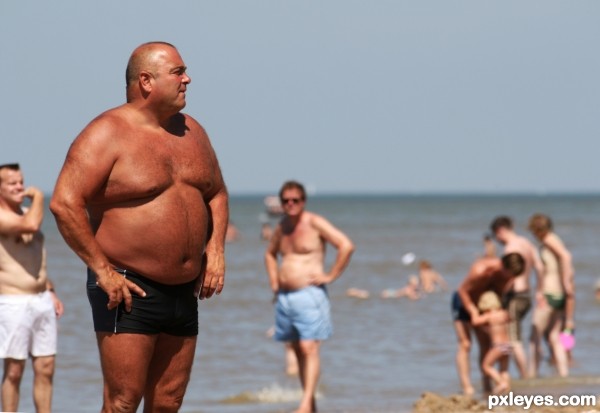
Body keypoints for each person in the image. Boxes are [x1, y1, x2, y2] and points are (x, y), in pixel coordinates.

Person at [49, 42, 229, 413]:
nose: (187, 78)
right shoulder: (106, 133)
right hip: (128, 286)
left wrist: (215, 251)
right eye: (178, 72)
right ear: (146, 81)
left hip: (184, 290)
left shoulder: (192, 131)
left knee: (169, 401)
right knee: (122, 402)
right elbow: (65, 203)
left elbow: (217, 192)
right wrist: (103, 271)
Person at [264, 180, 354, 413]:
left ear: (303, 201)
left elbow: (345, 245)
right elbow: (270, 255)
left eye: (295, 200)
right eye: (286, 200)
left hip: (310, 295)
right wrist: (275, 283)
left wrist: (331, 275)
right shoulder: (281, 227)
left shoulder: (314, 223)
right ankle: (310, 405)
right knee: (296, 349)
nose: (290, 204)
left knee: (309, 348)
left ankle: (304, 405)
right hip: (285, 297)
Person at [0, 162, 64, 413]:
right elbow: (32, 226)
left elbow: (37, 260)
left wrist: (50, 289)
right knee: (14, 371)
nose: (20, 187)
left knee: (46, 367)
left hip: (40, 300)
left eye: (21, 181)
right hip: (12, 301)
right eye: (12, 183)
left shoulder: (27, 212)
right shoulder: (5, 217)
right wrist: (39, 196)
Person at [451, 253, 525, 395]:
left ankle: (488, 388)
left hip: (485, 306)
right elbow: (462, 290)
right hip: (463, 301)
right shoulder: (481, 270)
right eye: (510, 274)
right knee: (465, 344)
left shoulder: (508, 278)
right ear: (503, 267)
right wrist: (473, 312)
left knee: (485, 345)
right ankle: (467, 388)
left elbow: (500, 295)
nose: (511, 278)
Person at [490, 216, 544, 378]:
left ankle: (525, 377)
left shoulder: (510, 249)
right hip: (527, 294)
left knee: (514, 339)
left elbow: (509, 277)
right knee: (517, 337)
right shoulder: (526, 243)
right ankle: (527, 374)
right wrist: (539, 290)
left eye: (496, 236)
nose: (497, 240)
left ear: (501, 230)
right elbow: (540, 267)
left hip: (515, 295)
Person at [527, 213, 574, 378]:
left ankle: (531, 375)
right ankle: (563, 374)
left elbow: (566, 256)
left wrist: (566, 281)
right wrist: (567, 286)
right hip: (559, 296)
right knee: (555, 337)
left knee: (534, 337)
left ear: (538, 229)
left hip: (549, 293)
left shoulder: (548, 240)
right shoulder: (555, 239)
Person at [471, 291, 512, 394]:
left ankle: (501, 383)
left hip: (498, 346)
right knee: (504, 370)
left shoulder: (489, 316)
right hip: (507, 345)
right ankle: (506, 390)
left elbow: (475, 321)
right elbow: (510, 319)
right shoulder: (504, 313)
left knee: (486, 366)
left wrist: (473, 310)